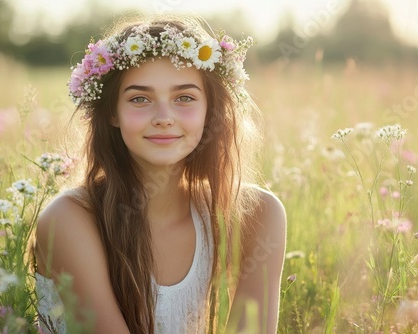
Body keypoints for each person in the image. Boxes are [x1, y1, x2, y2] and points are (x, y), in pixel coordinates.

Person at [34, 14, 286, 334]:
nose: (164, 117)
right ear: (112, 112)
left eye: (184, 98)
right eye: (140, 98)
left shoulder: (258, 213)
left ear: (210, 110)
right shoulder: (70, 220)